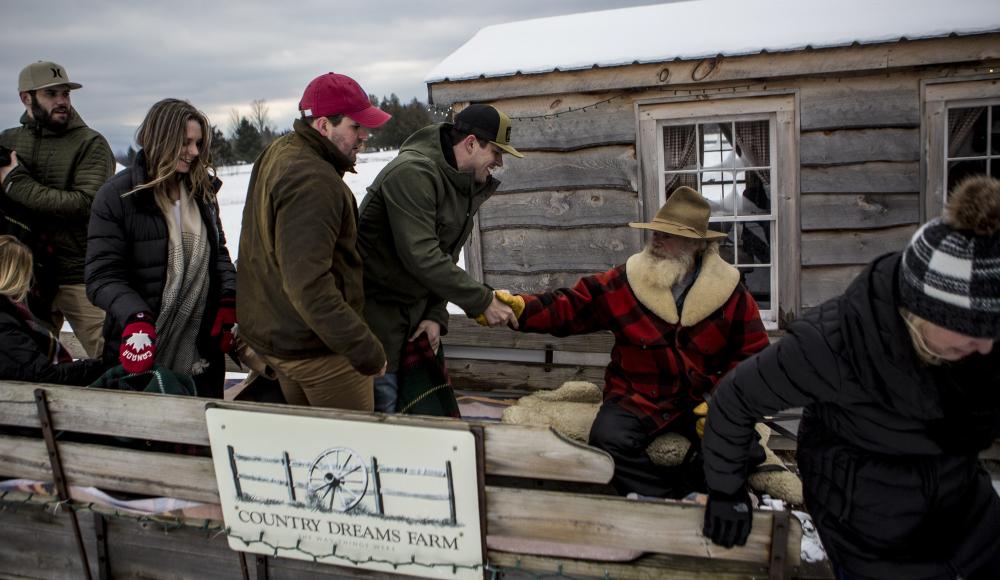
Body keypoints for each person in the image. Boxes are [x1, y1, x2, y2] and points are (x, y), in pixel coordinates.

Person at [701, 176, 1000, 579]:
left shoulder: (983, 348)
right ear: (919, 310)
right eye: (970, 330)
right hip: (867, 525)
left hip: (965, 510)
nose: (985, 346)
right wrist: (725, 490)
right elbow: (735, 399)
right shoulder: (832, 345)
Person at [507, 187, 770, 497]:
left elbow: (754, 358)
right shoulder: (626, 280)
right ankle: (663, 501)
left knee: (745, 450)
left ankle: (686, 492)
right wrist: (521, 310)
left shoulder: (732, 293)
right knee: (607, 441)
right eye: (655, 232)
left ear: (697, 245)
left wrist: (718, 404)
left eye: (668, 235)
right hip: (637, 396)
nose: (656, 240)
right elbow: (571, 306)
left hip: (700, 401)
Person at [237, 72, 389, 411]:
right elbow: (309, 285)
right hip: (320, 353)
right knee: (351, 452)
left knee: (312, 452)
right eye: (356, 127)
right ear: (323, 126)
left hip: (283, 337)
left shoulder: (281, 151)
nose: (365, 135)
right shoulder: (313, 180)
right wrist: (364, 349)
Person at [358, 104, 523, 413]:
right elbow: (422, 256)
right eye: (497, 152)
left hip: (416, 324)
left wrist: (435, 315)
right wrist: (482, 300)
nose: (499, 162)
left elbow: (446, 255)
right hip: (376, 327)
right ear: (472, 143)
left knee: (425, 421)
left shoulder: (461, 184)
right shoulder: (412, 174)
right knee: (388, 426)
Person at [85, 99, 236, 398]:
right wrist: (136, 317)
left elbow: (218, 252)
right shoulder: (118, 196)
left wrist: (229, 297)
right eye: (185, 143)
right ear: (160, 138)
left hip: (200, 350)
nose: (194, 152)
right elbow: (101, 275)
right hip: (140, 345)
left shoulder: (201, 192)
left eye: (198, 143)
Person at [0, 61, 115, 358]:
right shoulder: (9, 141)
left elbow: (85, 204)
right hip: (24, 277)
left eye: (65, 93)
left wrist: (15, 183)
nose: (62, 101)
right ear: (26, 98)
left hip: (78, 275)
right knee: (27, 363)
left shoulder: (90, 144)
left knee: (114, 357)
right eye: (51, 94)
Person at [0, 235, 104, 384]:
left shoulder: (11, 316)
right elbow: (45, 374)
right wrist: (100, 367)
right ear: (16, 275)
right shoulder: (5, 321)